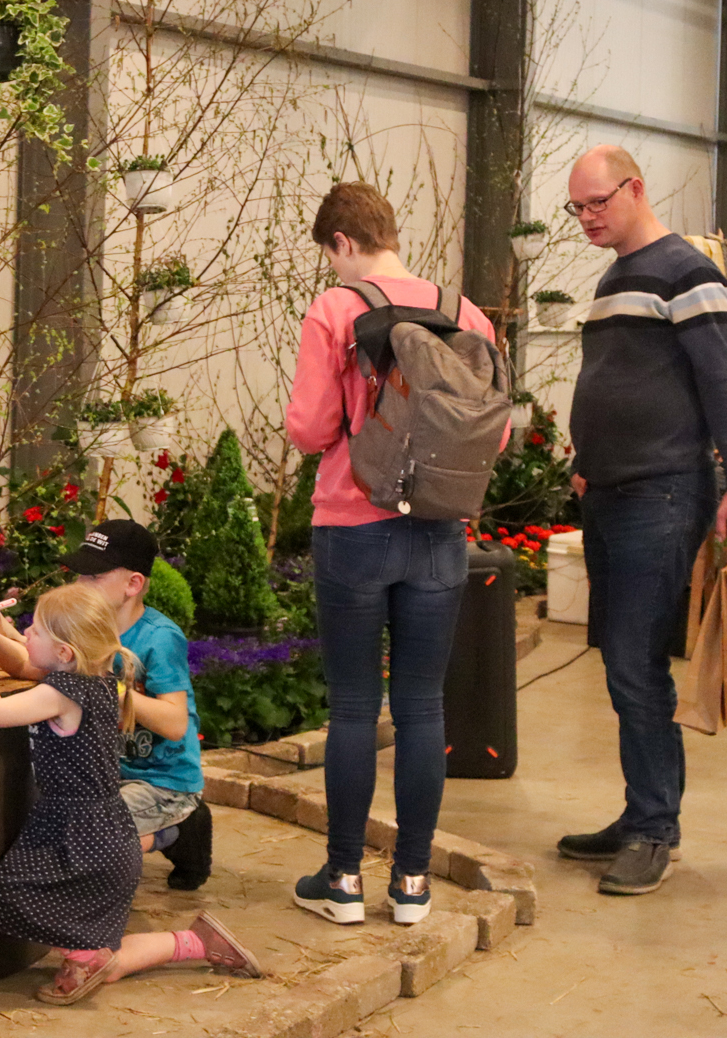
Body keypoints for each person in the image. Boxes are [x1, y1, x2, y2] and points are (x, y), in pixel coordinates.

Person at [282, 181, 497, 928]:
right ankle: (411, 882)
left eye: (330, 254)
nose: (333, 267)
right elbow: (494, 430)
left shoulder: (336, 308)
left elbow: (311, 428)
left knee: (352, 705)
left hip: (353, 524)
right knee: (422, 707)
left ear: (342, 242)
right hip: (438, 529)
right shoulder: (466, 312)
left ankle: (343, 879)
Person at [561, 145, 727, 896]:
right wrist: (587, 457)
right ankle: (641, 811)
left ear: (635, 188)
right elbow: (616, 379)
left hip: (664, 494)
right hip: (610, 491)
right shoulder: (616, 276)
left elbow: (721, 383)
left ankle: (654, 829)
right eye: (577, 207)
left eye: (598, 203)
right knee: (622, 660)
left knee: (636, 661)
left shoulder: (688, 273)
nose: (587, 217)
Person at [0, 585, 261, 1005]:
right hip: (104, 832)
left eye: (35, 630)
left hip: (84, 837)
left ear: (64, 653)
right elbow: (30, 656)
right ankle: (194, 942)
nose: (26, 635)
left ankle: (86, 957)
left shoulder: (62, 692)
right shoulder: (99, 682)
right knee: (105, 956)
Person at [0, 520, 211, 890]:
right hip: (102, 778)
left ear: (133, 584)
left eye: (94, 576)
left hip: (161, 781)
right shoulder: (83, 627)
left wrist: (106, 689)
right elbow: (28, 666)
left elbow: (175, 724)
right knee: (57, 825)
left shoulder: (159, 638)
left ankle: (177, 832)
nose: (80, 584)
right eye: (79, 574)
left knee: (92, 839)